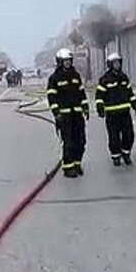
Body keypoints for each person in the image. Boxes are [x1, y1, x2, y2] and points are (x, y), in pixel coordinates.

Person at [47, 47, 89, 178]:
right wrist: (56, 113)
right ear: (60, 62)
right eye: (65, 61)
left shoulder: (75, 76)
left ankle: (77, 164)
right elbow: (51, 96)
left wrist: (85, 107)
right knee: (68, 142)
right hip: (64, 116)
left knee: (81, 141)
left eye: (69, 61)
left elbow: (81, 93)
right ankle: (68, 168)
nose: (67, 63)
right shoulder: (55, 78)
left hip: (77, 114)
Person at [94, 51, 136, 166]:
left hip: (125, 113)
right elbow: (99, 96)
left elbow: (130, 93)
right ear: (110, 65)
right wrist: (100, 108)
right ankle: (116, 156)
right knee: (114, 137)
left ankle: (126, 153)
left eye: (118, 63)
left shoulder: (124, 78)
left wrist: (135, 106)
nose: (117, 65)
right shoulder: (105, 80)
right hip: (112, 114)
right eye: (115, 63)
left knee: (129, 135)